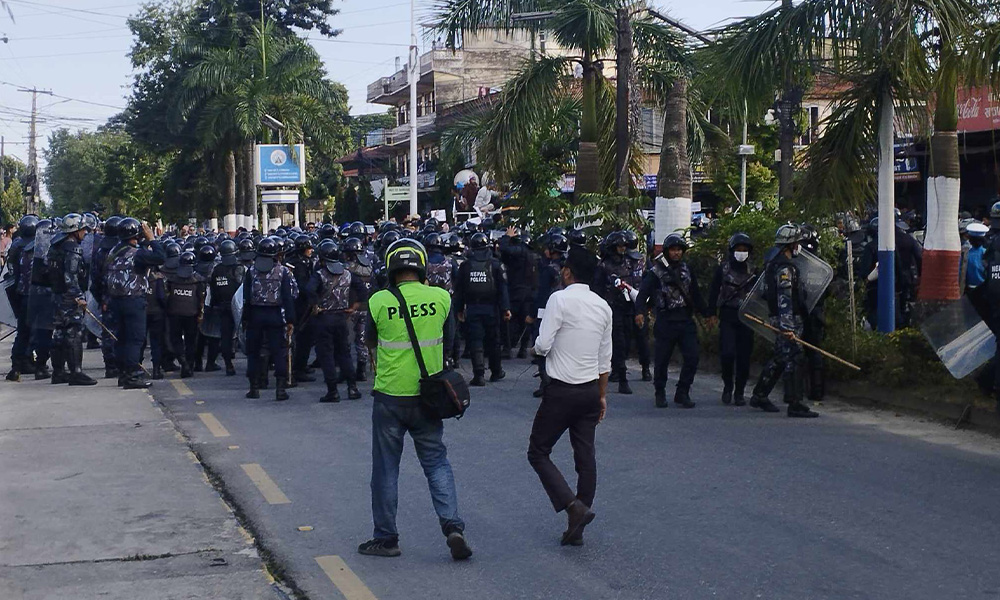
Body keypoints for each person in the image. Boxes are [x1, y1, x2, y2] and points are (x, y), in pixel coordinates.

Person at [359, 238, 471, 561]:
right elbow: (450, 343)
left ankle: (387, 538)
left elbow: (370, 343)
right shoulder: (441, 298)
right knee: (436, 462)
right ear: (421, 267)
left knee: (385, 470)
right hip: (429, 397)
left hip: (390, 399)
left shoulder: (378, 301)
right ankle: (453, 527)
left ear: (391, 268)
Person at [528, 246, 611, 547]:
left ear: (567, 272)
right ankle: (577, 523)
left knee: (538, 451)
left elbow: (544, 343)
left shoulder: (559, 299)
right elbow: (605, 360)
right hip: (590, 390)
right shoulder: (603, 306)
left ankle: (572, 506)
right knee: (585, 457)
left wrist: (536, 349)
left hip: (562, 390)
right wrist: (602, 397)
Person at [748, 224, 819, 418]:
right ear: (791, 245)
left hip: (781, 318)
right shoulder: (784, 268)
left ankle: (760, 395)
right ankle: (794, 403)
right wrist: (787, 327)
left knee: (781, 357)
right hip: (787, 320)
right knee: (794, 358)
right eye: (798, 243)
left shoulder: (773, 263)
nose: (799, 247)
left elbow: (764, 292)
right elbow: (784, 298)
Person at [635, 234, 708, 409]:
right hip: (666, 320)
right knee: (662, 360)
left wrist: (708, 314)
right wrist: (640, 312)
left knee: (692, 357)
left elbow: (695, 294)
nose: (676, 253)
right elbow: (643, 294)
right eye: (673, 250)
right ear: (667, 251)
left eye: (679, 250)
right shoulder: (656, 272)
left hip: (685, 319)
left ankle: (682, 392)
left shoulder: (687, 269)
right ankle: (659, 392)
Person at [105, 217, 166, 389]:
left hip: (115, 300)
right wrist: (152, 239)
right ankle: (132, 375)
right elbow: (160, 257)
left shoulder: (113, 252)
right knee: (135, 339)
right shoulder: (136, 254)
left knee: (121, 338)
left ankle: (123, 374)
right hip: (133, 299)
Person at [307, 240, 366, 402]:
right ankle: (352, 388)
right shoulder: (347, 273)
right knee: (344, 353)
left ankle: (332, 391)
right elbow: (362, 289)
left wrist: (315, 305)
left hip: (324, 318)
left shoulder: (319, 274)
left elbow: (309, 290)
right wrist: (354, 306)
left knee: (326, 355)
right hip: (341, 317)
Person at [242, 237, 296, 401]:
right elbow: (287, 297)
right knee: (278, 351)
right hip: (275, 315)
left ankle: (254, 387)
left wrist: (245, 319)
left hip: (255, 315)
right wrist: (290, 320)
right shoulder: (283, 271)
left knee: (253, 352)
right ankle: (280, 389)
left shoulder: (251, 271)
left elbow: (246, 297)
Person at [454, 232, 510, 387]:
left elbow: (459, 290)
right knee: (494, 340)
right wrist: (506, 308)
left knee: (475, 341)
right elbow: (502, 288)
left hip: (472, 308)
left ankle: (479, 375)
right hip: (492, 308)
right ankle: (496, 371)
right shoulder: (495, 264)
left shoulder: (466, 265)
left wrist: (459, 309)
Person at [47, 213, 97, 386]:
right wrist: (79, 296)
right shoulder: (72, 249)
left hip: (57, 294)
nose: (85, 232)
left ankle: (58, 372)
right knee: (74, 332)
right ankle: (76, 372)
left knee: (60, 332)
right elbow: (71, 276)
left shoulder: (56, 246)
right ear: (74, 230)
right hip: (69, 297)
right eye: (83, 229)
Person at [708, 232, 757, 406]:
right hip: (728, 315)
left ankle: (740, 392)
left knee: (744, 357)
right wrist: (711, 313)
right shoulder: (723, 269)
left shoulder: (754, 271)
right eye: (738, 249)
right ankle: (728, 386)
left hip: (747, 317)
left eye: (745, 250)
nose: (741, 253)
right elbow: (714, 291)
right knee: (728, 353)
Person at [593, 231, 639, 395]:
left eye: (624, 246)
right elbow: (596, 289)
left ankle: (619, 370)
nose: (622, 249)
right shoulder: (603, 266)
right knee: (617, 342)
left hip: (628, 307)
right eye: (619, 246)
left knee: (626, 341)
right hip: (611, 309)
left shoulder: (629, 263)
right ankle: (622, 378)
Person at [5, 215, 37, 381]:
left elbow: (10, 270)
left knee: (23, 330)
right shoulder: (34, 246)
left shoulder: (15, 246)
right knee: (30, 330)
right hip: (31, 293)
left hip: (18, 292)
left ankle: (20, 362)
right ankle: (24, 360)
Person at [165, 251, 206, 378]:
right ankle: (188, 365)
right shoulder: (198, 280)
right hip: (192, 315)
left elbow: (167, 297)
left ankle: (184, 363)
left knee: (176, 340)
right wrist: (200, 315)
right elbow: (201, 300)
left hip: (175, 314)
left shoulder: (172, 280)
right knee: (191, 342)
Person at [206, 239, 244, 376]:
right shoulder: (239, 269)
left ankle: (229, 365)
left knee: (226, 337)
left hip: (222, 307)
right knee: (244, 334)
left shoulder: (217, 270)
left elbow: (213, 291)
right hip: (239, 307)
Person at [499, 227, 538, 359]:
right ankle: (522, 348)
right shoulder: (533, 255)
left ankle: (508, 348)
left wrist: (507, 237)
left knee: (510, 320)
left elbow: (504, 249)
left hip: (516, 291)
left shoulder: (521, 251)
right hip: (528, 291)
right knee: (524, 321)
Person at [344, 236, 375, 382]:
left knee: (346, 341)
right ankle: (361, 370)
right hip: (367, 307)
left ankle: (346, 371)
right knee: (362, 340)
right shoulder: (370, 266)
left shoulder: (346, 268)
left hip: (350, 308)